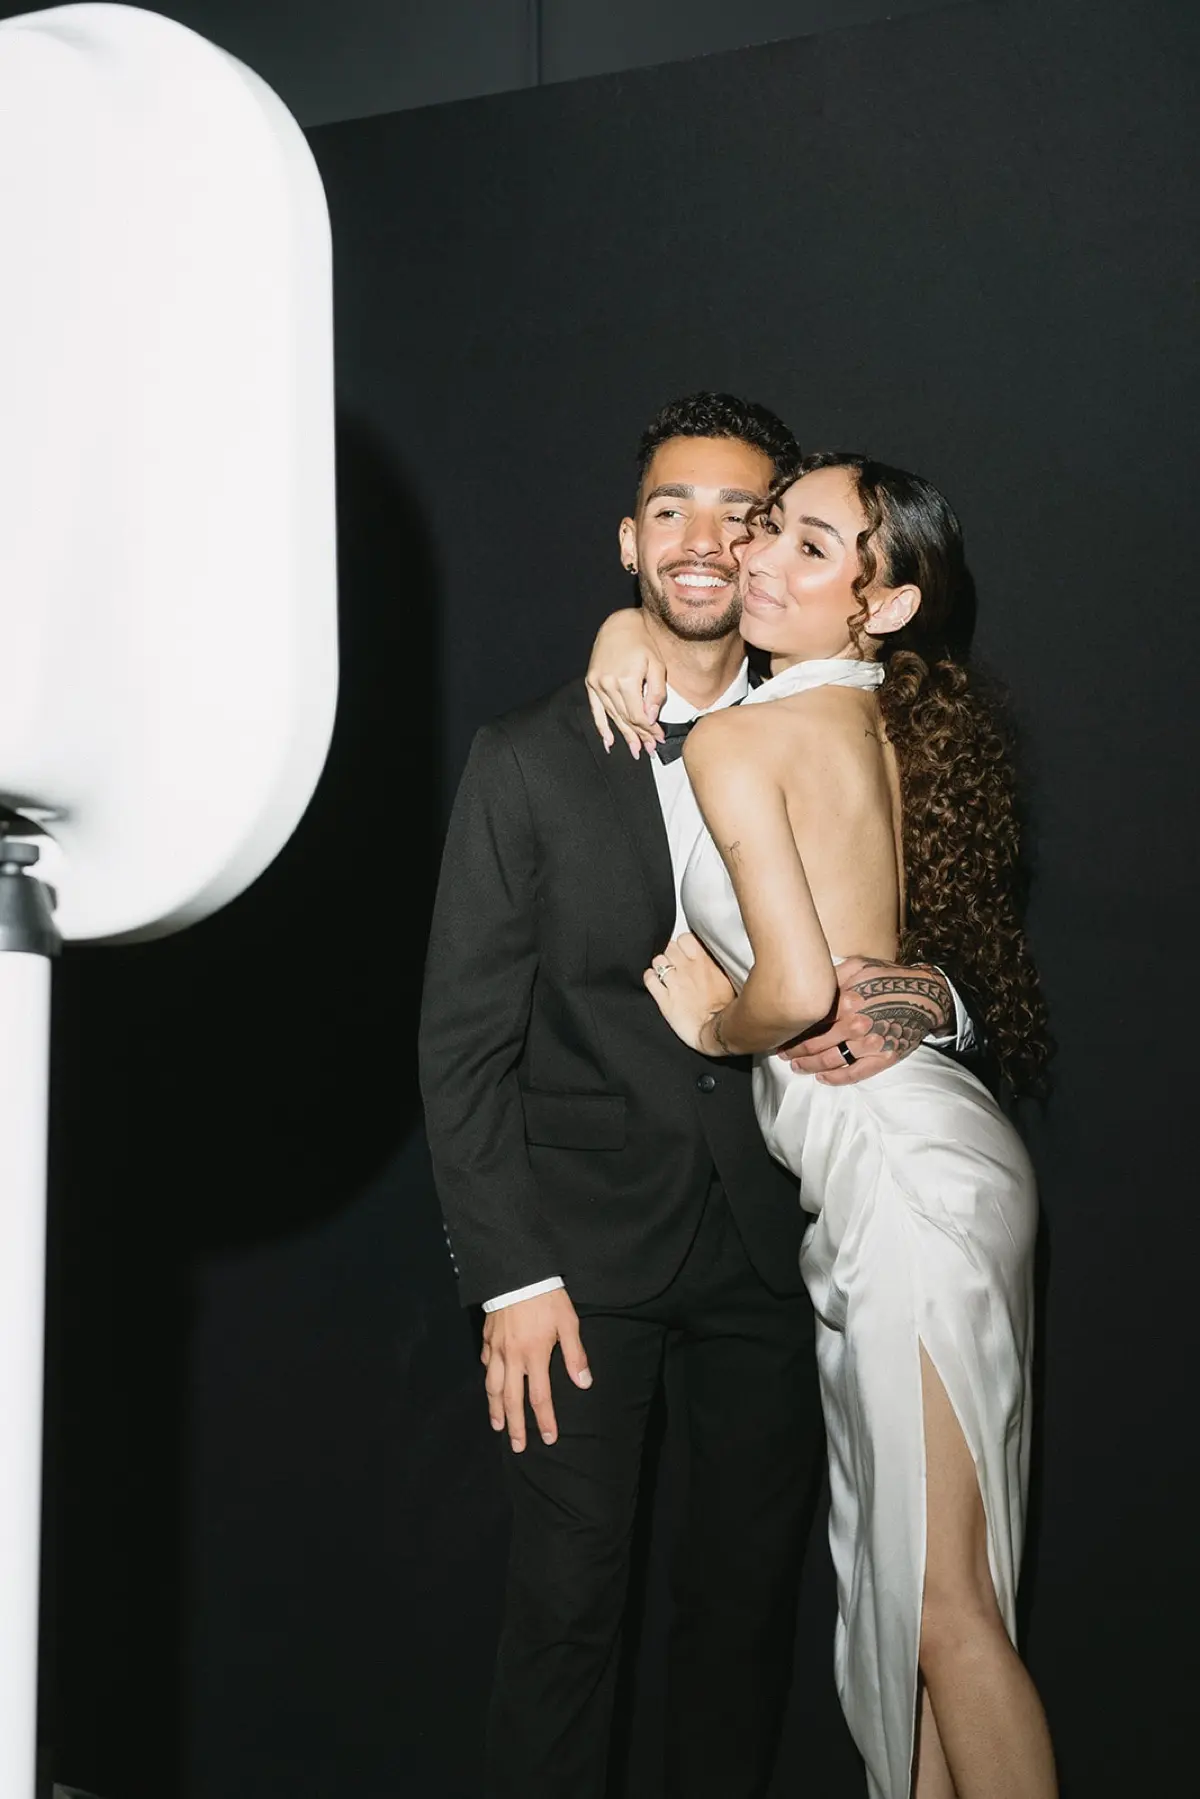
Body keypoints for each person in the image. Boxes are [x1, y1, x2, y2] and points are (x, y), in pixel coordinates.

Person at [418, 395, 973, 1799]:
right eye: (671, 508)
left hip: (782, 1241)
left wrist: (931, 1004)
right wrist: (511, 1276)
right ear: (630, 541)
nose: (705, 537)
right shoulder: (525, 756)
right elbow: (462, 1043)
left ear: (775, 543)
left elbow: (946, 940)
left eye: (744, 513)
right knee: (565, 1613)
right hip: (579, 1265)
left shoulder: (850, 724)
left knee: (741, 1618)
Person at [587, 451, 1057, 1798]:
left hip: (901, 1174)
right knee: (915, 1610)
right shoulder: (873, 724)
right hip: (912, 1167)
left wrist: (716, 1022)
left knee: (942, 1612)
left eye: (809, 545)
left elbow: (798, 991)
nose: (757, 557)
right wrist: (622, 624)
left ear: (885, 602)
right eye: (771, 529)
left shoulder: (749, 738)